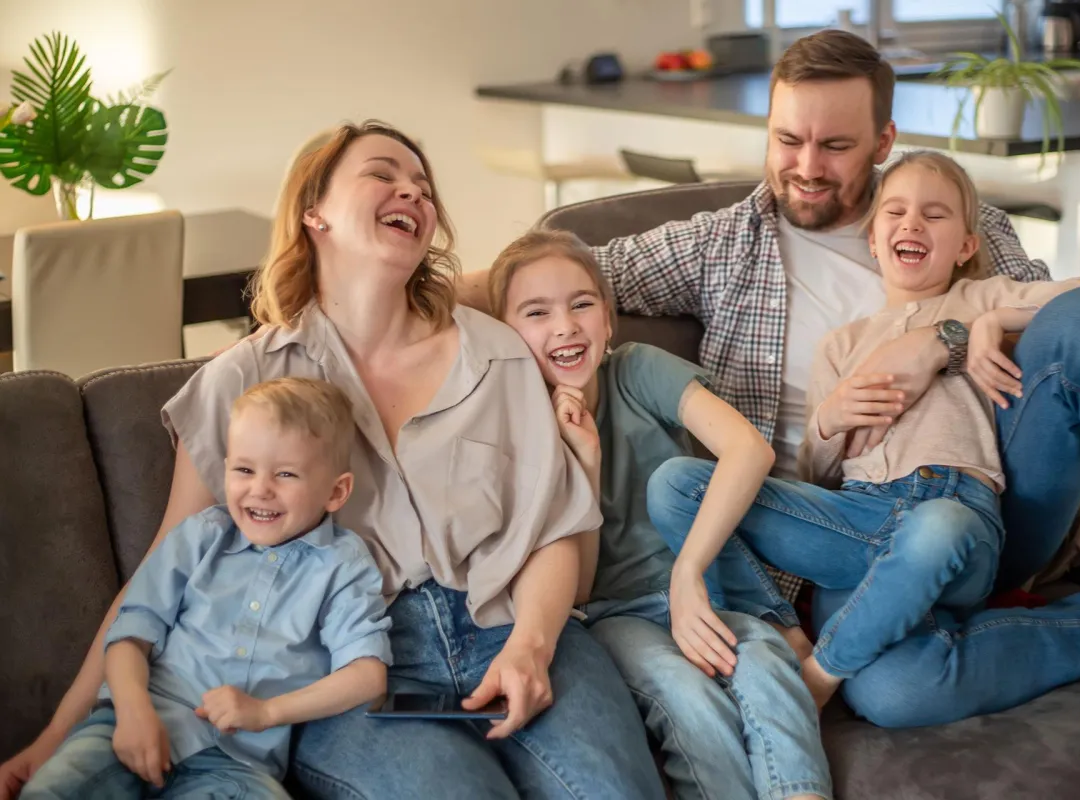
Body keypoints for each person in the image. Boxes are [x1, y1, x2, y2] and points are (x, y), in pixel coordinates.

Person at [457, 28, 1080, 728]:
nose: (807, 166)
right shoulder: (723, 243)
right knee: (893, 689)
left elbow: (1062, 339)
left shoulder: (962, 224)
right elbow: (556, 278)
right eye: (788, 140)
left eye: (836, 145)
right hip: (835, 526)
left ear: (883, 142)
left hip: (986, 505)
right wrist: (402, 292)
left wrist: (943, 338)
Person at [0, 121, 665, 800]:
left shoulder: (497, 353)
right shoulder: (244, 380)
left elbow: (551, 530)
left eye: (423, 185)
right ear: (313, 211)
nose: (413, 191)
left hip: (513, 625)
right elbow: (160, 567)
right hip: (355, 662)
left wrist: (532, 645)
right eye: (382, 174)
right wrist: (54, 739)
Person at [652, 150, 1080, 711]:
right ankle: (784, 629)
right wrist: (830, 420)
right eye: (895, 212)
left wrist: (989, 322)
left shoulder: (977, 298)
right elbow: (817, 475)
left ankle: (821, 672)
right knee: (676, 484)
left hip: (957, 513)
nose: (912, 223)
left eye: (934, 214)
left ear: (966, 246)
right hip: (857, 516)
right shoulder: (841, 345)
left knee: (937, 526)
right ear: (873, 241)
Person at [488, 228, 831, 800]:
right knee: (683, 690)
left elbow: (749, 450)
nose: (565, 326)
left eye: (581, 304)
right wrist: (587, 465)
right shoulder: (515, 425)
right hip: (612, 613)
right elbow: (581, 590)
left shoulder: (637, 369)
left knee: (766, 663)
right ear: (505, 334)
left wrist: (687, 574)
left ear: (608, 319)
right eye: (537, 312)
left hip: (701, 588)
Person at [21, 377, 392, 799]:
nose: (260, 489)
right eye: (244, 470)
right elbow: (129, 638)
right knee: (52, 791)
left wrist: (267, 711)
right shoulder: (200, 536)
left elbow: (367, 675)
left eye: (286, 474)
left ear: (336, 491)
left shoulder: (343, 564)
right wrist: (132, 710)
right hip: (135, 722)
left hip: (237, 763)